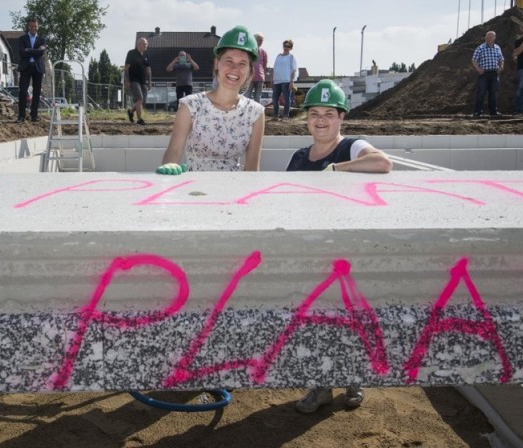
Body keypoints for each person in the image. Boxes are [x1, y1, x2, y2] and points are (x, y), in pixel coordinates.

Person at [290, 80, 391, 414]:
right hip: (313, 252)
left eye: (328, 114)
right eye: (315, 113)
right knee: (318, 322)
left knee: (350, 317)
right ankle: (320, 386)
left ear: (340, 117)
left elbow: (382, 163)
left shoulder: (349, 146)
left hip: (347, 253)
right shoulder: (299, 157)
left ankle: (353, 378)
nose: (321, 120)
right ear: (306, 118)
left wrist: (336, 169)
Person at [157, 25, 265, 174]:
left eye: (242, 64)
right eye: (229, 61)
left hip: (234, 192)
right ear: (217, 64)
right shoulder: (190, 106)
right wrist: (168, 172)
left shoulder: (255, 113)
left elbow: (252, 168)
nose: (235, 69)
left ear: (249, 71)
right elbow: (173, 152)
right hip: (193, 192)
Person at [17, 17, 46, 123]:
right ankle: (21, 116)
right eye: (31, 26)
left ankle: (34, 115)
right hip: (26, 67)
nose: (33, 28)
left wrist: (29, 50)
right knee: (23, 91)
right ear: (28, 27)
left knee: (37, 92)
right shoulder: (22, 38)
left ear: (38, 27)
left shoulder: (42, 39)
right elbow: (22, 52)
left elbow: (41, 53)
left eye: (35, 26)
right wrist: (35, 51)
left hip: (38, 68)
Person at [471, 31, 504, 118]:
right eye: (487, 37)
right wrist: (478, 69)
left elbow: (501, 59)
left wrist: (501, 67)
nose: (488, 38)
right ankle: (477, 112)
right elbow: (474, 60)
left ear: (494, 38)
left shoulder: (497, 48)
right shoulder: (480, 48)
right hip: (484, 74)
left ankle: (493, 112)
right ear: (485, 37)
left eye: (490, 37)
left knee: (493, 93)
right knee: (481, 93)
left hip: (494, 73)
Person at [125, 37, 151, 125]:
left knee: (143, 102)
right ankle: (139, 120)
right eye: (144, 44)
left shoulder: (146, 54)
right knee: (139, 98)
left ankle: (131, 112)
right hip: (133, 79)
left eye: (146, 44)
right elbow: (126, 67)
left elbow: (148, 69)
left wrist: (150, 81)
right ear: (138, 44)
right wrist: (127, 80)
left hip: (143, 80)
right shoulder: (131, 53)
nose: (146, 46)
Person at [272, 39, 297, 121]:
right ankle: (276, 115)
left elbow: (294, 70)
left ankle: (285, 116)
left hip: (286, 81)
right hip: (277, 81)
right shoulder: (278, 56)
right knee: (275, 99)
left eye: (288, 46)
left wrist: (291, 81)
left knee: (287, 100)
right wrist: (273, 78)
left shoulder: (291, 57)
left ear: (291, 48)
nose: (286, 47)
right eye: (285, 46)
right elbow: (274, 68)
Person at [244, 32, 267, 103]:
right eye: (259, 40)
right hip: (249, 77)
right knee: (247, 96)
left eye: (262, 40)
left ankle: (256, 113)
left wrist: (262, 73)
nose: (261, 42)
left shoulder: (263, 52)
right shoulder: (248, 50)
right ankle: (245, 112)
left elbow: (264, 65)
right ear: (254, 40)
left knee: (258, 97)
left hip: (260, 78)